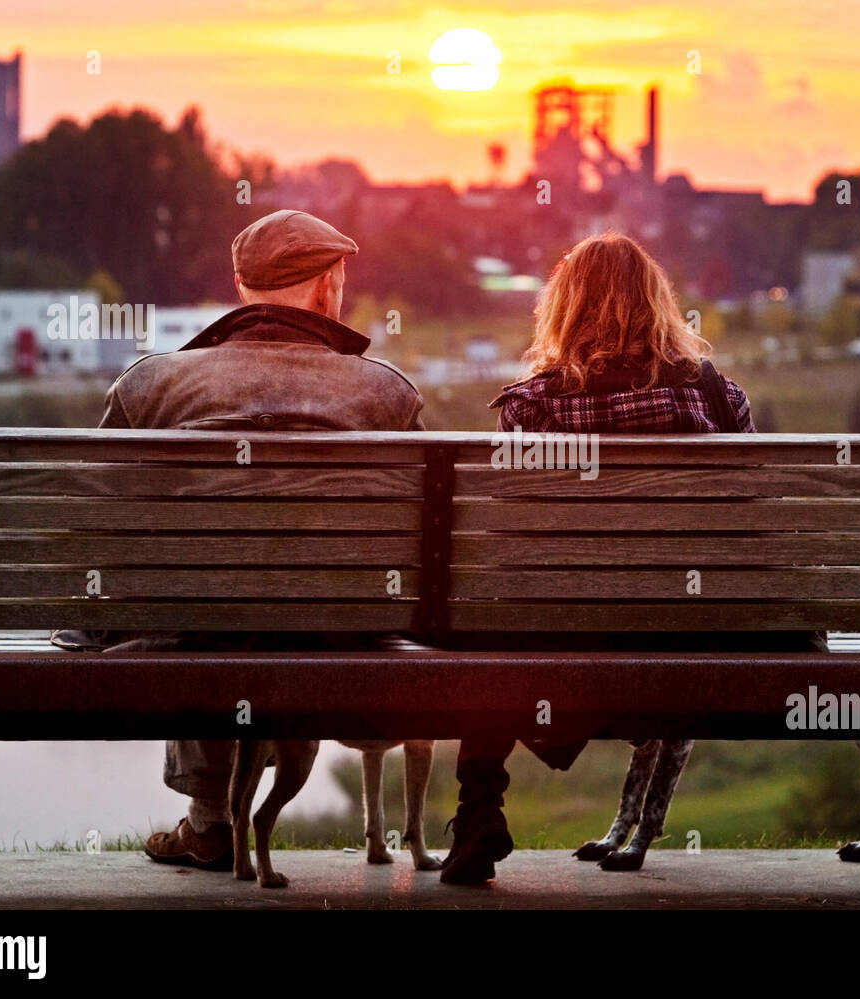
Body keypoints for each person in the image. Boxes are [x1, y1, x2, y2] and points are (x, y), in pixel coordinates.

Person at [440, 231, 821, 884]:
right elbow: (762, 527)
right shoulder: (716, 399)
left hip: (571, 639)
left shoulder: (532, 408)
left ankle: (479, 808)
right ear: (659, 306)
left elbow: (508, 550)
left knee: (487, 619)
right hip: (700, 640)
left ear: (564, 309)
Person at [51, 209, 424, 871]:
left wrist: (89, 627)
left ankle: (208, 821)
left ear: (239, 285)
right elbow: (423, 533)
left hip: (199, 638)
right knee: (249, 607)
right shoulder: (385, 393)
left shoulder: (151, 383)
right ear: (325, 286)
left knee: (199, 606)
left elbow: (96, 525)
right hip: (342, 638)